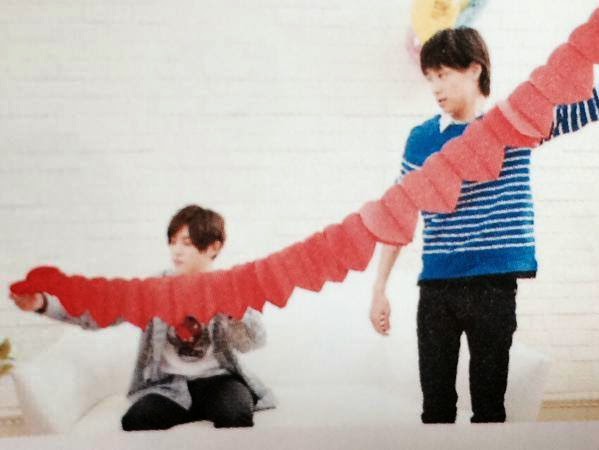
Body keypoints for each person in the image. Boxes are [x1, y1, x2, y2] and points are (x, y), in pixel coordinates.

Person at [369, 27, 599, 423]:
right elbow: (398, 214)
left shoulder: (515, 122)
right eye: (430, 77)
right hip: (437, 288)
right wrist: (379, 289)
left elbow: (584, 108)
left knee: (489, 408)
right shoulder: (422, 139)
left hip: (492, 285)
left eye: (443, 74)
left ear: (475, 69)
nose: (434, 87)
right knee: (436, 409)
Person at [11, 204, 275, 431]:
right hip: (169, 386)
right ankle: (190, 410)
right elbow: (100, 313)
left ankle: (204, 409)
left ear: (213, 247)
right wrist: (43, 304)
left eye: (186, 243)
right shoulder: (155, 288)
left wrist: (233, 311)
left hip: (218, 380)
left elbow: (253, 342)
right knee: (137, 420)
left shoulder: (228, 287)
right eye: (173, 242)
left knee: (234, 413)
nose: (176, 251)